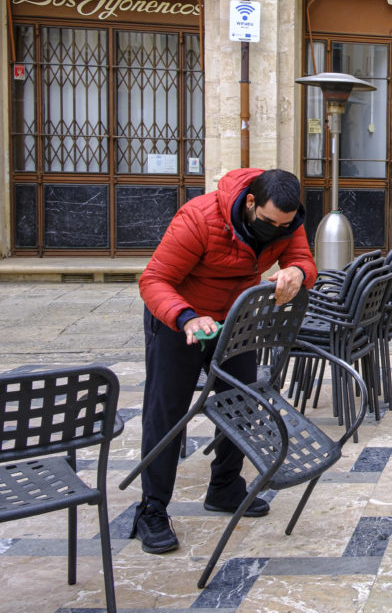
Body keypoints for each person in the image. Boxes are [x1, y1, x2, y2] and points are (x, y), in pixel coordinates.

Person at [133, 168, 317, 554]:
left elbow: (302, 258)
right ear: (250, 204)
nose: (276, 231)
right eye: (268, 223)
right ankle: (152, 508)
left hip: (235, 321)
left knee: (242, 404)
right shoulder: (199, 219)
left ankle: (225, 487)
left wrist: (298, 272)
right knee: (167, 414)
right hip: (180, 321)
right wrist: (185, 317)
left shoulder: (288, 219)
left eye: (283, 225)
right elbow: (153, 280)